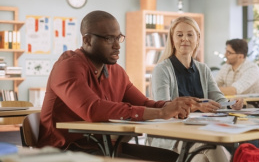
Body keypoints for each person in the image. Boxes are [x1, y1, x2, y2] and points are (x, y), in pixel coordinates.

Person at [38, 10, 193, 150]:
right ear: (87, 40)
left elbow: (143, 103)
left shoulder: (116, 71)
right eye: (109, 39)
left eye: (118, 38)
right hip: (65, 152)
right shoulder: (67, 67)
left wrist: (173, 106)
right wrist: (161, 113)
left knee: (172, 159)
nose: (117, 45)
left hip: (104, 148)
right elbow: (92, 110)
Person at [148, 16, 247, 162]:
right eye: (179, 35)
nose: (184, 39)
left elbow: (218, 99)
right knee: (211, 143)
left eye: (189, 34)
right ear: (172, 39)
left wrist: (231, 104)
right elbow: (164, 106)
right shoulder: (162, 69)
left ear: (197, 38)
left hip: (196, 139)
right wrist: (197, 106)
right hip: (170, 139)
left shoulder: (202, 69)